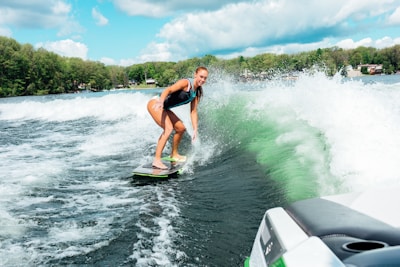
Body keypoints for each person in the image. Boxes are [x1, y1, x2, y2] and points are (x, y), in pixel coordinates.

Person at [147, 66, 209, 169]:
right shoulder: (186, 83)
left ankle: (174, 154)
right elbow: (168, 89)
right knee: (169, 128)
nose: (202, 80)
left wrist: (195, 129)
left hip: (164, 107)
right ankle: (156, 160)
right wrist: (161, 101)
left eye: (205, 78)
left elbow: (193, 111)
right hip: (156, 103)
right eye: (201, 76)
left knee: (181, 128)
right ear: (195, 75)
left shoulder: (196, 92)